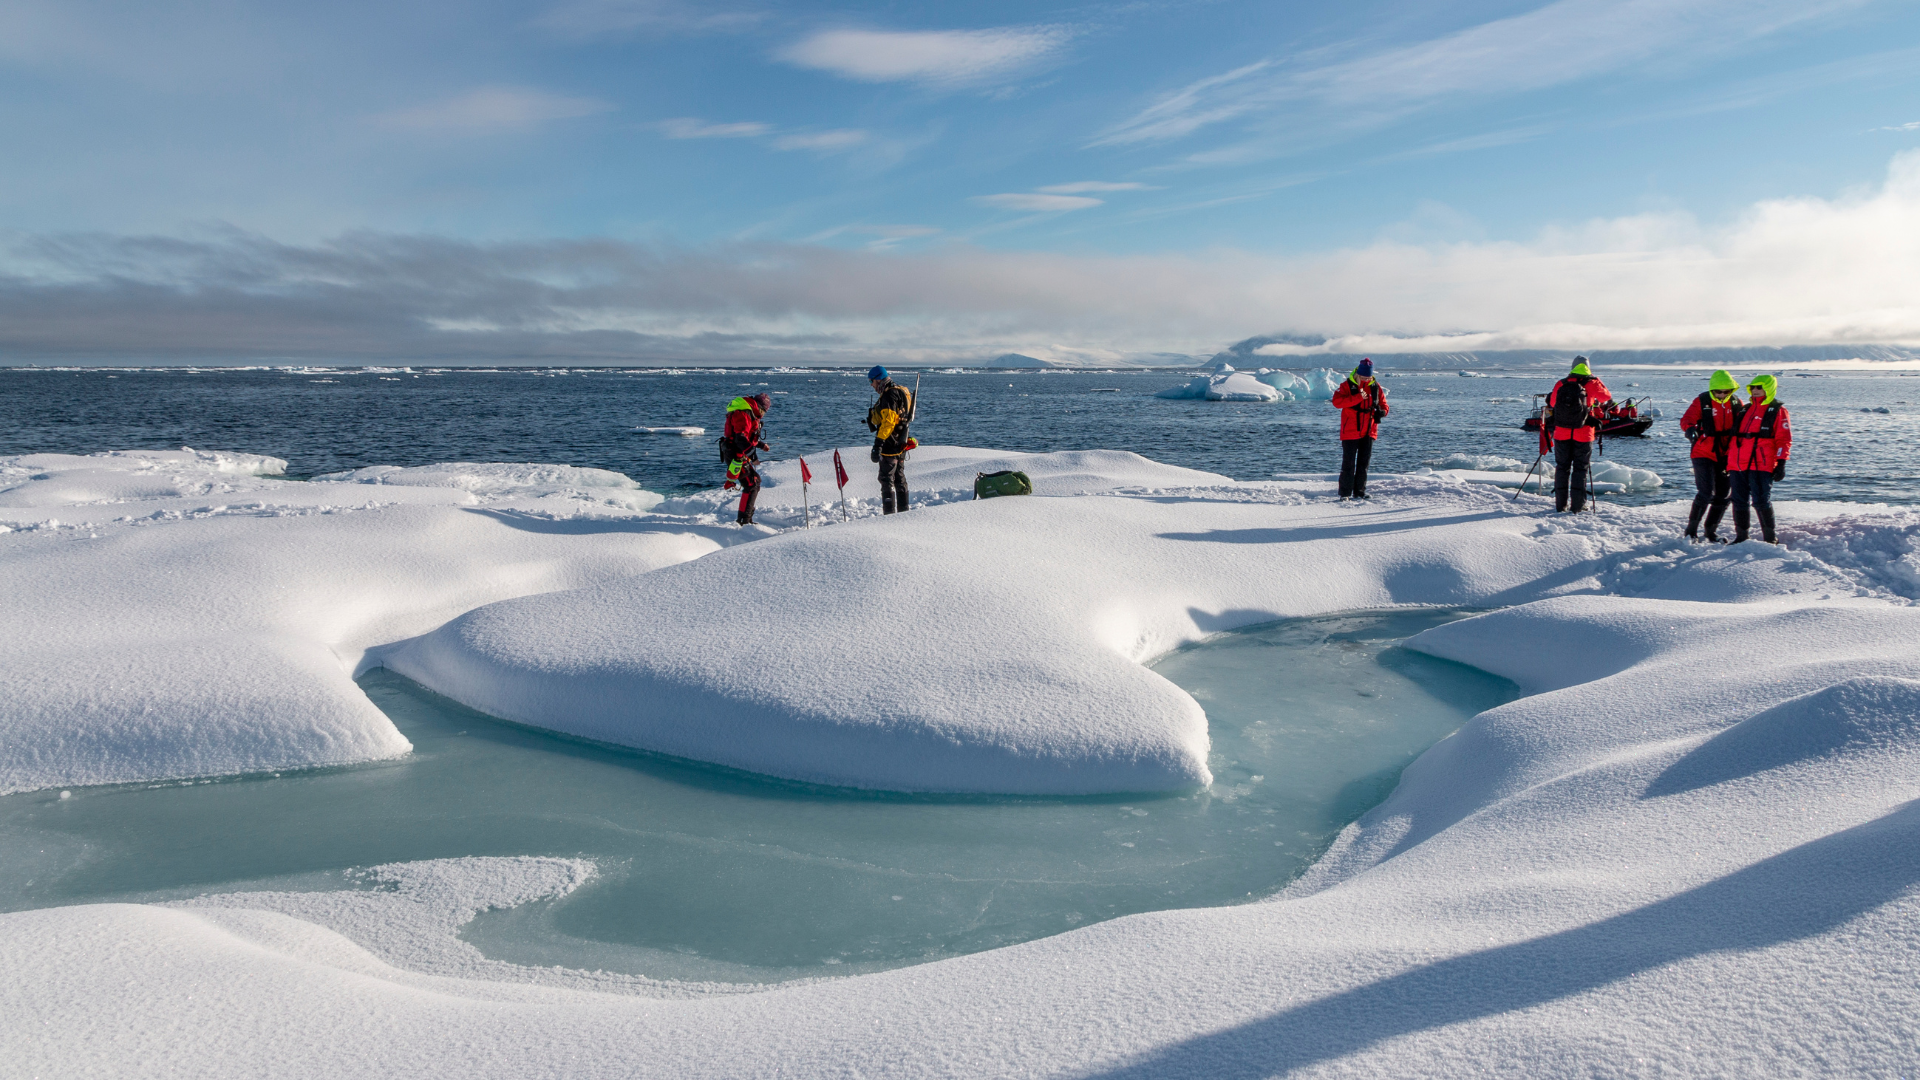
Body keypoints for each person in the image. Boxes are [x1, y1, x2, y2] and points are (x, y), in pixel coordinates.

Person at [1678, 369, 1745, 542]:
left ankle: (1710, 531)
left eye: (1726, 391)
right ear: (1712, 390)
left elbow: (1746, 425)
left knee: (1724, 495)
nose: (1722, 395)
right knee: (1705, 492)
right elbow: (1687, 419)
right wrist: (1690, 429)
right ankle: (1691, 531)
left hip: (1726, 453)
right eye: (1718, 392)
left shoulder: (1737, 403)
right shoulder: (1701, 401)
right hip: (1703, 452)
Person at [1726, 374, 1791, 544]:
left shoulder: (1777, 411)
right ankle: (1741, 537)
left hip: (1761, 464)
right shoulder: (1745, 409)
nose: (1755, 390)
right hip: (1737, 463)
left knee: (1761, 501)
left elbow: (1784, 439)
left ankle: (1770, 538)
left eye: (1759, 387)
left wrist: (1781, 463)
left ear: (1769, 388)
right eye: (1752, 387)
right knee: (1738, 500)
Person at [1545, 357, 1613, 512]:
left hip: (1561, 432)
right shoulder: (1592, 383)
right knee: (1580, 469)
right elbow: (1606, 397)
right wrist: (1596, 380)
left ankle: (1560, 505)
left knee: (1562, 468)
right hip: (1584, 433)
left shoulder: (1561, 383)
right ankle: (1577, 506)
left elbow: (1553, 403)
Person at [1328, 358, 1388, 499]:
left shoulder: (1376, 387)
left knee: (1363, 464)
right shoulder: (1346, 386)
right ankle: (1345, 494)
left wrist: (1382, 412)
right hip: (1350, 431)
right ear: (1358, 375)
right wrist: (1358, 397)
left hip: (1369, 430)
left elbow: (1384, 405)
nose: (1367, 380)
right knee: (1348, 464)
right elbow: (1337, 402)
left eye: (1369, 377)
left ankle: (1360, 492)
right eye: (1364, 377)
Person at [865, 366, 916, 514]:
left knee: (886, 479)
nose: (871, 385)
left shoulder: (889, 395)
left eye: (871, 381)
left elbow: (888, 422)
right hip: (901, 442)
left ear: (878, 379)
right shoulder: (902, 390)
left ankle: (889, 516)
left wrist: (878, 444)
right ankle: (903, 511)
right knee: (899, 478)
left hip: (889, 443)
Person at [720, 392, 771, 526]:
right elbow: (740, 439)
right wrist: (753, 457)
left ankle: (745, 518)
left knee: (754, 482)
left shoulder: (749, 413)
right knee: (752, 484)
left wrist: (761, 445)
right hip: (734, 454)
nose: (763, 415)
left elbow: (748, 437)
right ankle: (744, 521)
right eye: (764, 411)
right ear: (759, 407)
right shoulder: (743, 414)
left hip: (738, 453)